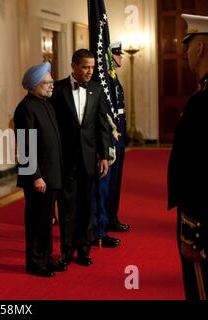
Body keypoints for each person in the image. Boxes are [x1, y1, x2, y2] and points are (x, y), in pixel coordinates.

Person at [49, 49, 111, 271]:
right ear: (74, 65)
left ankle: (84, 251)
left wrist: (104, 155)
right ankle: (66, 252)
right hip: (65, 159)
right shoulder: (57, 89)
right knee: (67, 208)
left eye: (92, 67)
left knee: (86, 206)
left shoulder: (96, 88)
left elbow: (102, 125)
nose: (89, 71)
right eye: (85, 67)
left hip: (89, 158)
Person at [168, 13, 208, 300]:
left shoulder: (202, 102)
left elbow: (198, 171)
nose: (184, 51)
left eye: (189, 44)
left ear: (201, 48)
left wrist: (191, 233)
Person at [14, 62, 63, 277]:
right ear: (34, 85)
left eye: (51, 82)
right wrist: (36, 176)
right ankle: (35, 263)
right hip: (38, 177)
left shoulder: (46, 104)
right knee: (37, 222)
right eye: (47, 83)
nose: (52, 86)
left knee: (47, 221)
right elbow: (25, 146)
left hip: (50, 175)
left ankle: (46, 257)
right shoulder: (25, 108)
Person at [92, 42, 129, 248]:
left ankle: (111, 218)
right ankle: (100, 225)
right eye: (117, 55)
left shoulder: (114, 80)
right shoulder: (103, 82)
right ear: (108, 58)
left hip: (118, 135)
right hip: (109, 136)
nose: (121, 58)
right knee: (104, 185)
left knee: (115, 182)